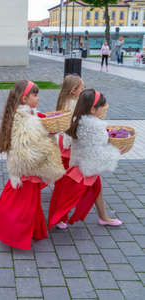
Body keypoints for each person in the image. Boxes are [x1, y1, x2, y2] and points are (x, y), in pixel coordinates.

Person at [0, 80, 65, 250]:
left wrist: (46, 130)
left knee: (25, 200)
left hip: (27, 167)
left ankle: (26, 226)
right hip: (27, 167)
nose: (38, 98)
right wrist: (48, 136)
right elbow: (30, 145)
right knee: (24, 205)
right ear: (24, 99)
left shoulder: (29, 115)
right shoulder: (25, 120)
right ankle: (14, 233)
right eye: (35, 95)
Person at [48, 89, 126, 231]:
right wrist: (116, 153)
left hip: (82, 165)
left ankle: (103, 217)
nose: (103, 108)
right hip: (84, 170)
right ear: (92, 109)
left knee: (95, 190)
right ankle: (55, 219)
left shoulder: (79, 120)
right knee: (68, 197)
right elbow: (97, 153)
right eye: (101, 106)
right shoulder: (94, 126)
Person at [55, 74, 85, 169]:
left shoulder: (64, 101)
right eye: (81, 89)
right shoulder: (73, 105)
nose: (83, 91)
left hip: (62, 138)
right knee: (69, 166)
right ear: (73, 90)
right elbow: (70, 125)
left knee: (64, 167)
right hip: (69, 141)